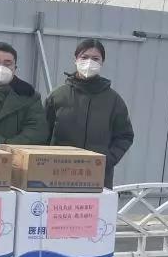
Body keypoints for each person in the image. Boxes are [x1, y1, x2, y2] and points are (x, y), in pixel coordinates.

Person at [45, 38, 134, 189]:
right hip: (58, 175)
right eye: (84, 57)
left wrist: (107, 160)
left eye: (95, 58)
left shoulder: (114, 100)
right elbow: (43, 134)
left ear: (102, 62)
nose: (89, 62)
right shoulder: (57, 96)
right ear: (75, 60)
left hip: (98, 177)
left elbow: (125, 136)